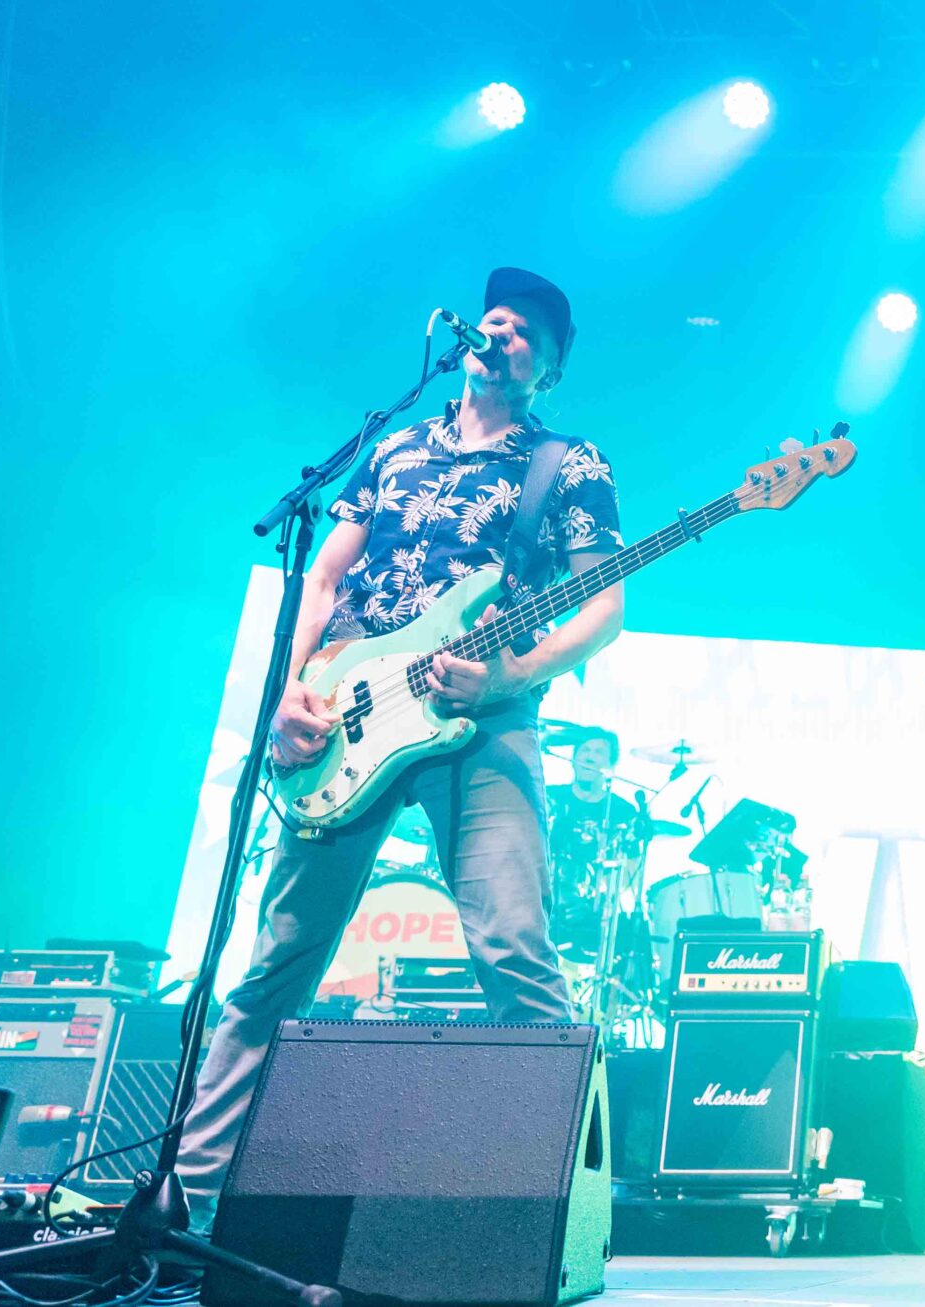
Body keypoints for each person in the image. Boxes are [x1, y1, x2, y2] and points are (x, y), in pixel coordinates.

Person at [176, 268, 625, 1207]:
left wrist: (511, 676)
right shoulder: (394, 446)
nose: (501, 331)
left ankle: (543, 1209)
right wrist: (291, 691)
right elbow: (323, 578)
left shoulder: (568, 463)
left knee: (513, 946)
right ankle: (192, 1189)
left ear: (548, 368)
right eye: (494, 318)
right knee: (278, 961)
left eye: (526, 331)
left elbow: (604, 607)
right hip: (347, 713)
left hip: (483, 716)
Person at [545, 728, 654, 962]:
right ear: (573, 759)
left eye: (598, 752)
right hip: (544, 906)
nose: (589, 757)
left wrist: (603, 897)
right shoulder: (549, 798)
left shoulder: (623, 811)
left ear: (610, 765)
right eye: (584, 750)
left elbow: (631, 869)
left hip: (594, 915)